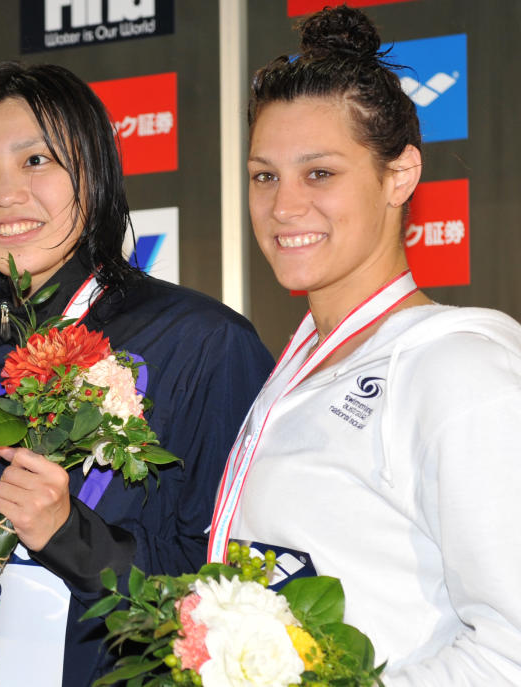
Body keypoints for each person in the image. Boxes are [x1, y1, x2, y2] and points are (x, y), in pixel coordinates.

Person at [0, 62, 275, 687]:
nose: (5, 192)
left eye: (36, 160)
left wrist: (71, 536)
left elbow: (242, 596)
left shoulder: (202, 341)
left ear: (93, 171)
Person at [207, 6, 521, 685]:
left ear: (399, 176)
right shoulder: (295, 367)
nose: (284, 206)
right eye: (265, 175)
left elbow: (511, 649)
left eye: (319, 173)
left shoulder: (459, 367)